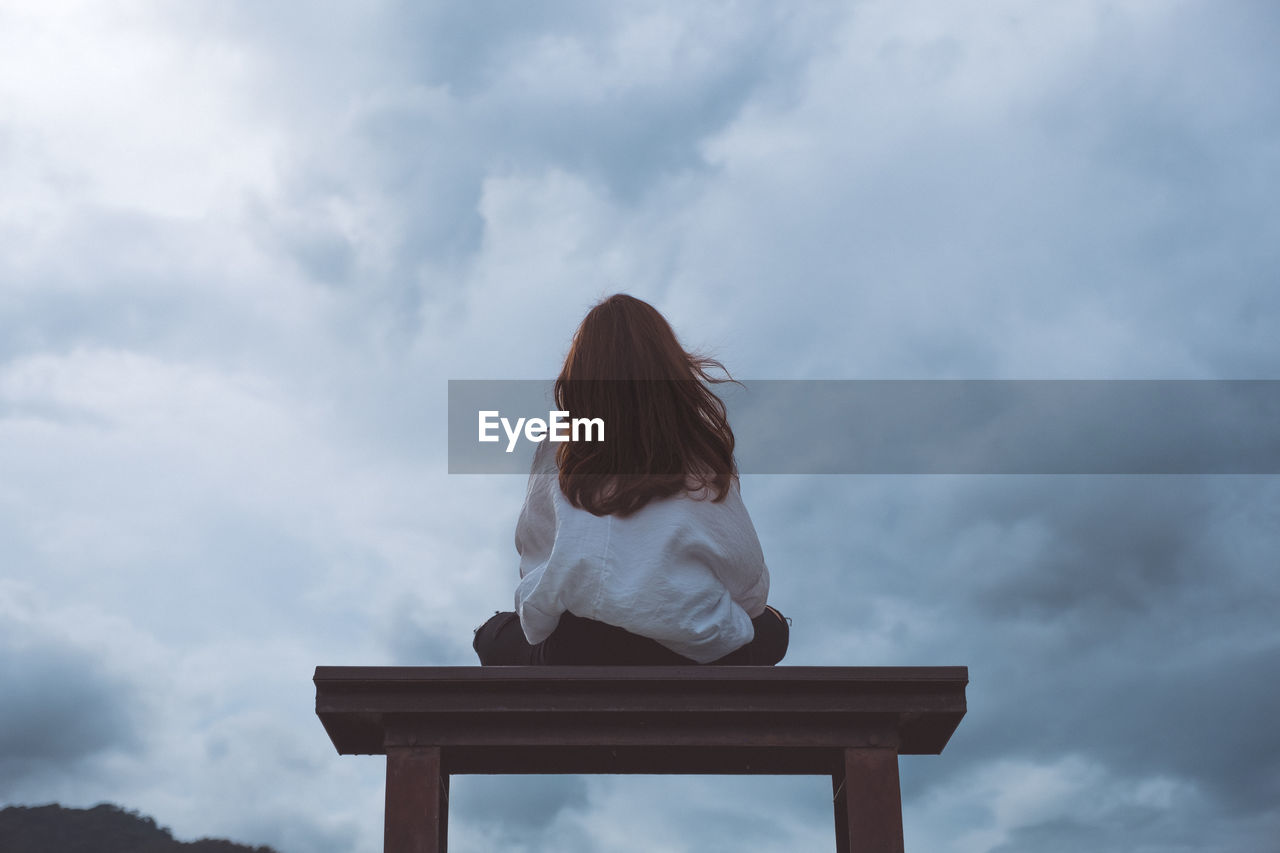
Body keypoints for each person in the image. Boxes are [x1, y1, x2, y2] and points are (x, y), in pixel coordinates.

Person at [472, 293, 789, 666]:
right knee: (774, 628)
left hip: (580, 647)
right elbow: (746, 577)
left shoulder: (561, 441)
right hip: (690, 650)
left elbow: (534, 558)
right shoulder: (700, 445)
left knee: (491, 634)